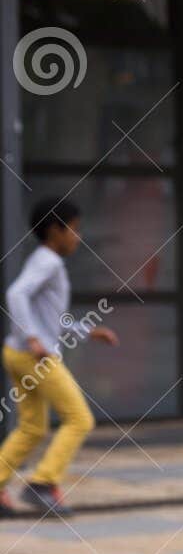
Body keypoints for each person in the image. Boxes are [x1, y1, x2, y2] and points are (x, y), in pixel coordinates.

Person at [0, 198, 119, 517]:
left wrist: (88, 331)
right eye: (74, 231)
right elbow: (16, 294)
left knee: (32, 427)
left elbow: (51, 316)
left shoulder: (43, 259)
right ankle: (42, 484)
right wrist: (34, 339)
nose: (78, 238)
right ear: (56, 231)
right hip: (34, 357)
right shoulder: (48, 262)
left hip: (16, 352)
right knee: (80, 418)